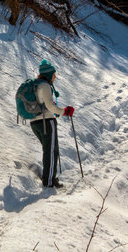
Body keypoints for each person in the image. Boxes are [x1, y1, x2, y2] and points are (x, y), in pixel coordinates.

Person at [31, 59, 74, 188]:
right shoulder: (45, 85)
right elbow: (50, 106)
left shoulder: (37, 85)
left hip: (35, 122)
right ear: (49, 74)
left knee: (50, 150)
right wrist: (64, 111)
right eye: (54, 75)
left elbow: (44, 104)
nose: (55, 77)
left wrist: (56, 111)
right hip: (46, 122)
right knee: (50, 151)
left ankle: (50, 177)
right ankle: (49, 182)